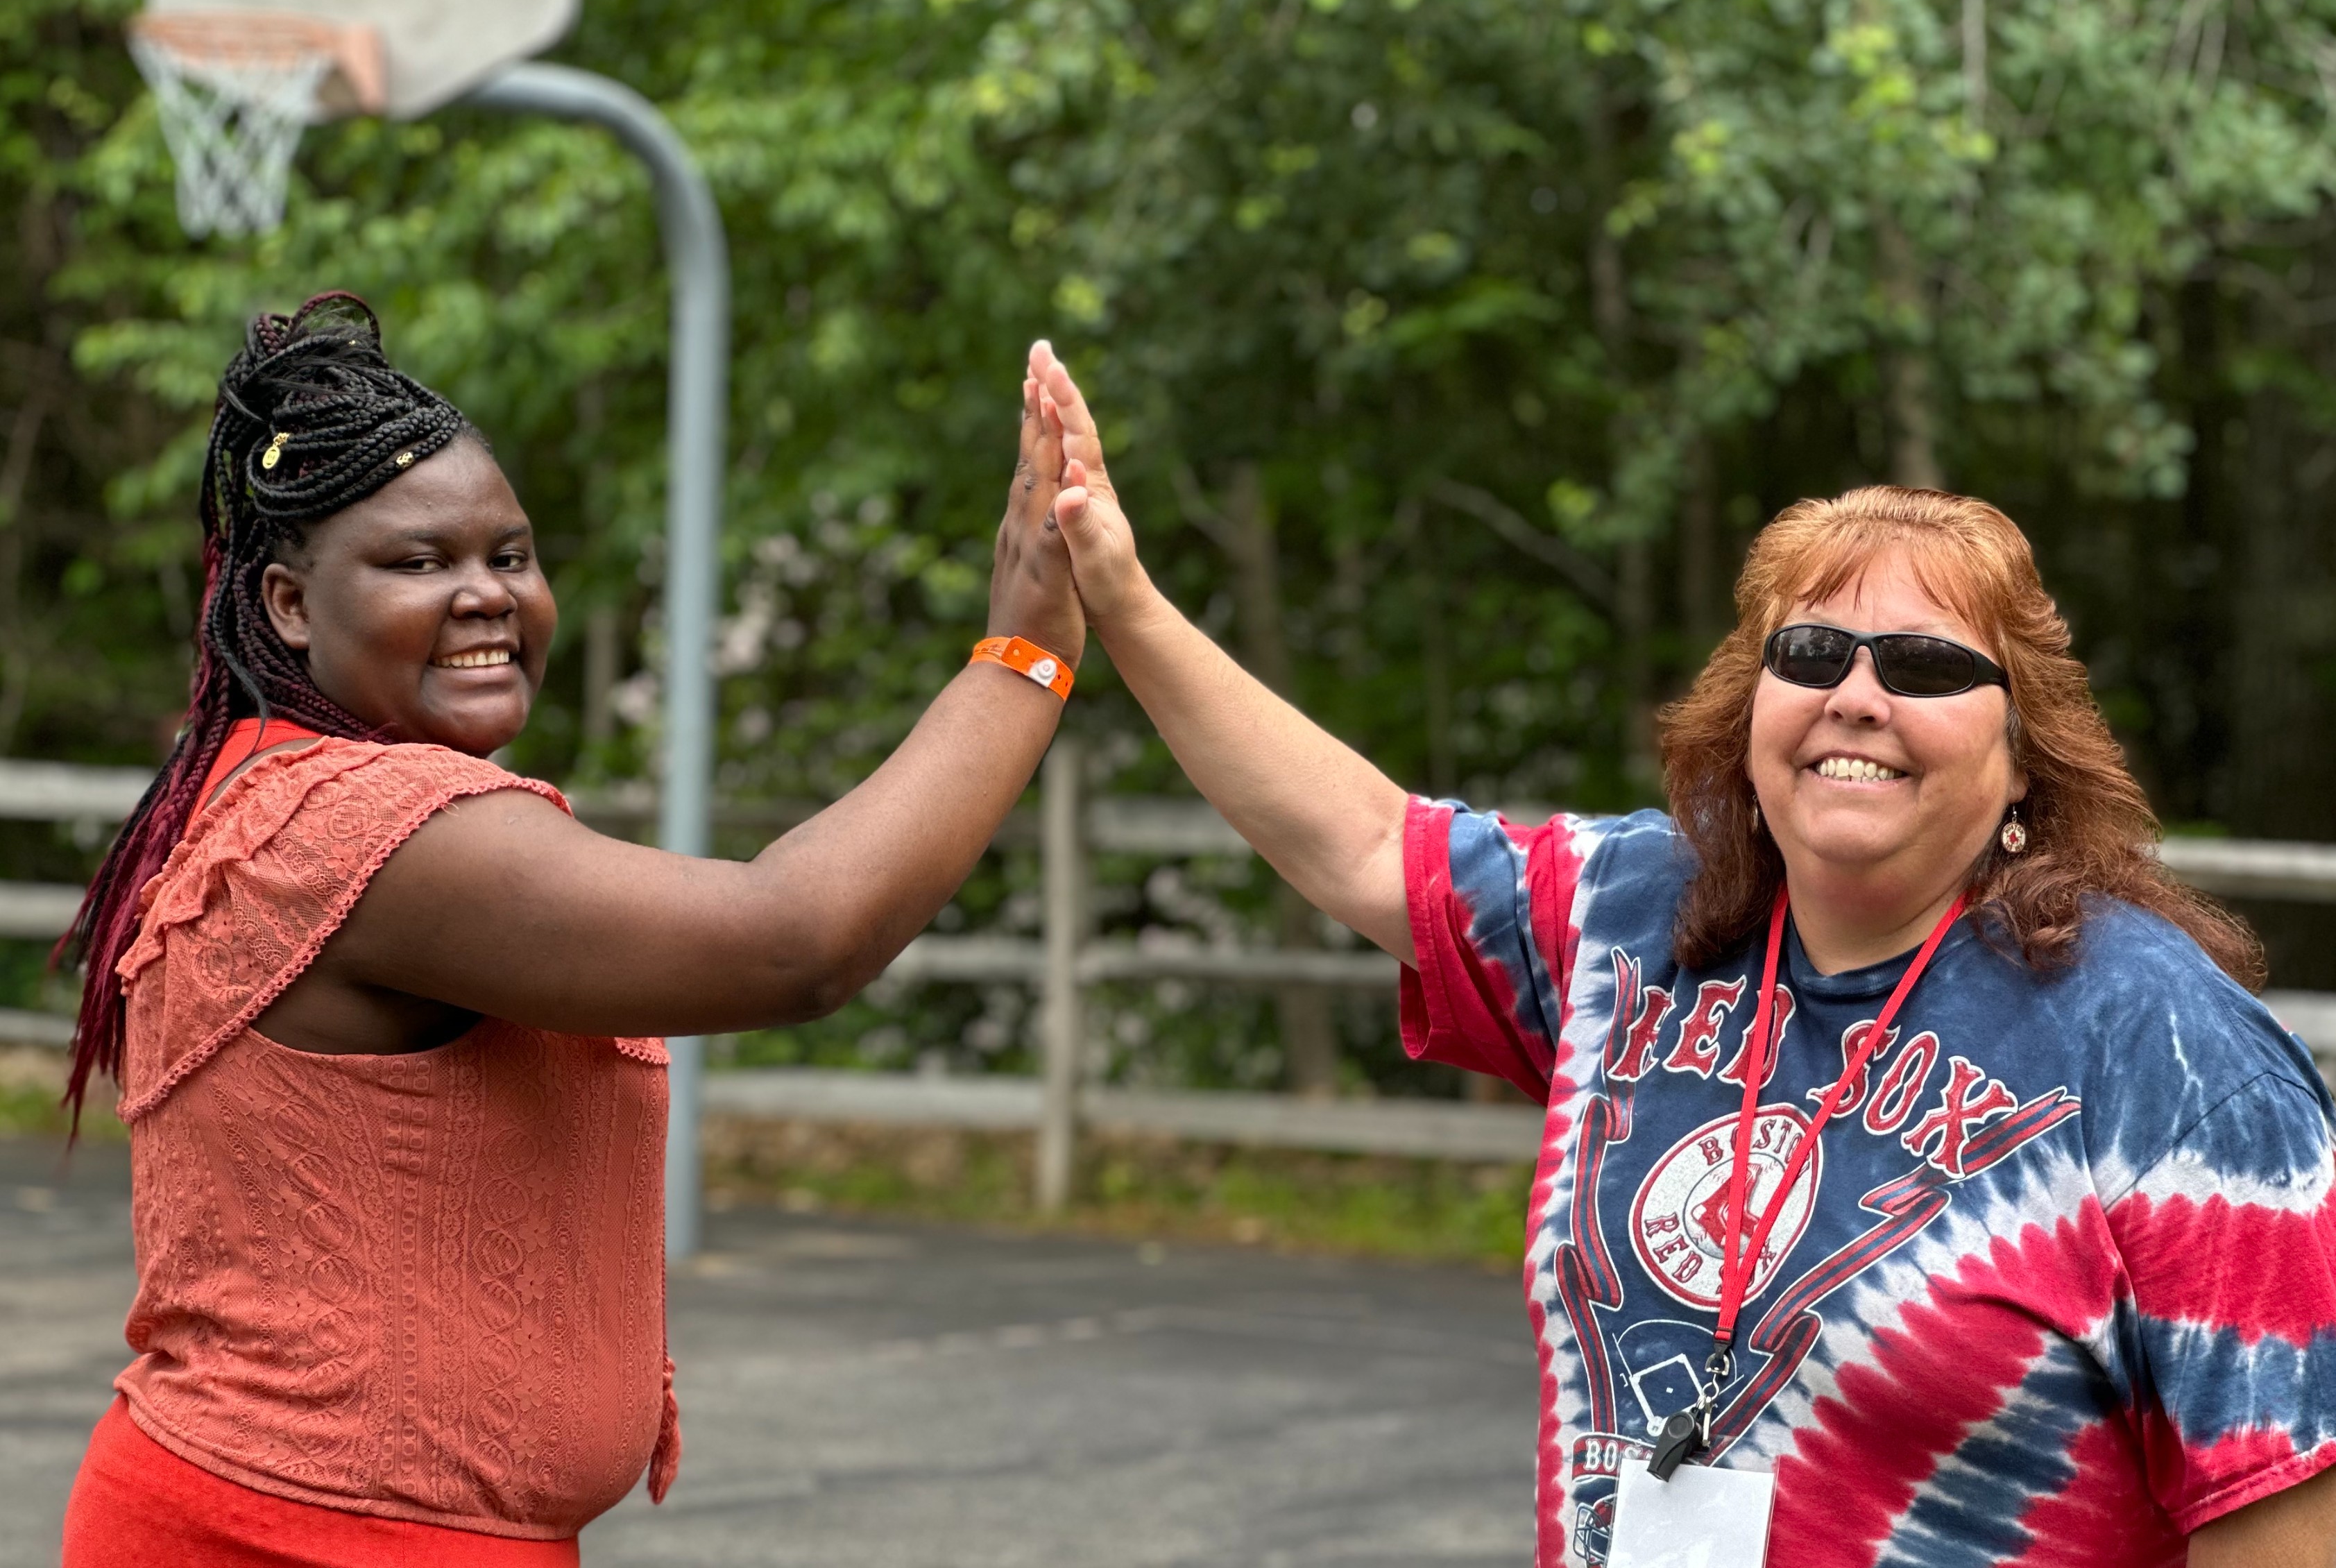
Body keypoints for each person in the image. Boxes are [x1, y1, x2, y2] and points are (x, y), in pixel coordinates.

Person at [1024, 348, 2336, 1566]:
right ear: (1750, 708)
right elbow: (1368, 845)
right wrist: (1124, 599)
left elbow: (2282, 1513)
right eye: (1813, 651)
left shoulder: (2176, 1059)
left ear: (2023, 755)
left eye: (1927, 665)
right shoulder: (1638, 915)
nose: (1857, 696)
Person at [56, 293, 1086, 1565]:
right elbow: (798, 940)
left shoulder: (281, 793)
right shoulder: (375, 829)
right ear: (286, 608)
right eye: (419, 563)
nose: (487, 595)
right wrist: (1026, 651)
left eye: (511, 554)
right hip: (304, 1539)